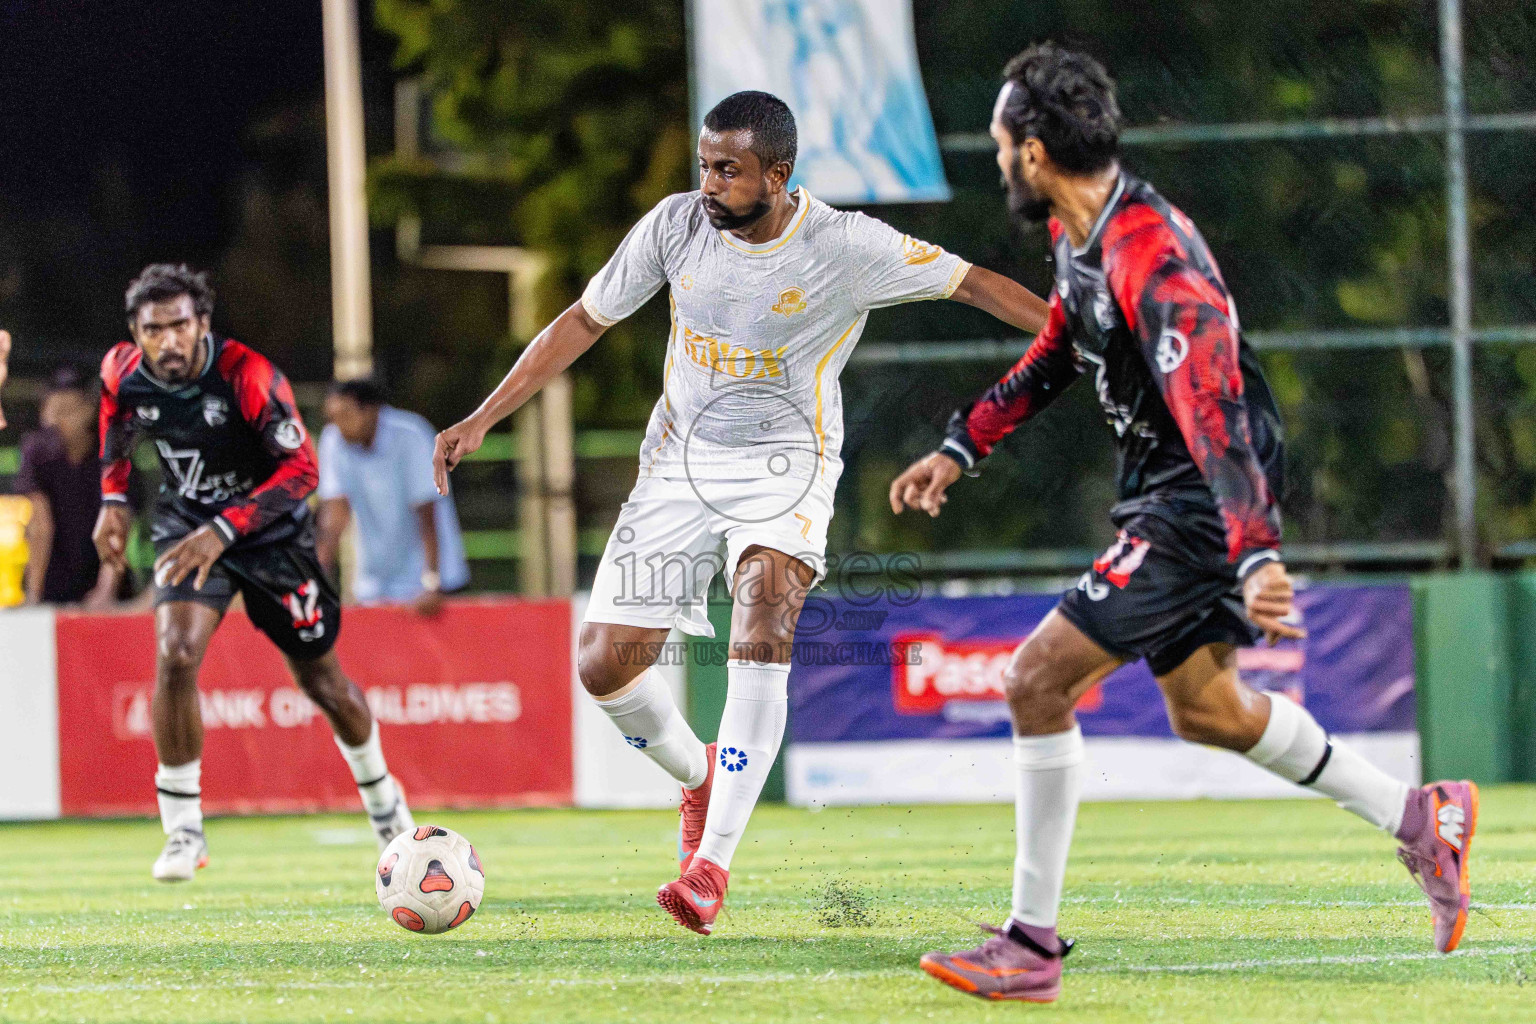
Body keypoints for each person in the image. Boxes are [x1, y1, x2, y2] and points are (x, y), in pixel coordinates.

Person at [889, 44, 1477, 1003]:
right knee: (1210, 712)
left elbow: (1214, 409)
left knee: (1036, 680)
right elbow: (1056, 349)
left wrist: (1255, 555)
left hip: (1202, 494)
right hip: (1175, 487)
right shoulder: (1085, 238)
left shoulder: (1152, 255)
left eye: (1000, 146)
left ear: (1033, 153)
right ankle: (1422, 817)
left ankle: (1030, 946)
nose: (996, 162)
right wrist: (965, 443)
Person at [433, 91, 1051, 935]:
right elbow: (583, 320)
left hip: (789, 465)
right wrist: (482, 417)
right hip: (680, 462)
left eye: (728, 170)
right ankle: (697, 778)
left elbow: (973, 284)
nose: (710, 183)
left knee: (763, 623)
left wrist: (1074, 338)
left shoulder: (846, 245)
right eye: (705, 164)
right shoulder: (676, 226)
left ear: (778, 174)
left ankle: (710, 866)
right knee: (603, 663)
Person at [92, 264, 414, 883]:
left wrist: (227, 529)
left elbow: (302, 472)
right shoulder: (121, 372)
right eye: (153, 330)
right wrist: (111, 499)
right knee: (177, 653)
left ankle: (384, 806)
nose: (169, 341)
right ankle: (183, 832)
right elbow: (116, 428)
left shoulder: (248, 374)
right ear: (136, 334)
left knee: (323, 681)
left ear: (202, 324)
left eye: (180, 325)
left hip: (271, 538)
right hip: (187, 524)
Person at [316, 378, 469, 615]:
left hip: (430, 584)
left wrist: (431, 584)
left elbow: (427, 514)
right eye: (332, 418)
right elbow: (334, 518)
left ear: (371, 410)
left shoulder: (412, 434)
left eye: (345, 415)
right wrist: (315, 584)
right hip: (375, 587)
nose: (339, 425)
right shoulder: (333, 440)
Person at [17, 367, 122, 606]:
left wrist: (105, 592)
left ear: (88, 410)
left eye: (68, 410)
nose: (58, 420)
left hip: (100, 577)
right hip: (52, 581)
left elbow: (119, 524)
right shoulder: (36, 451)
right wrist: (34, 593)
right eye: (53, 411)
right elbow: (40, 526)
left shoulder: (111, 454)